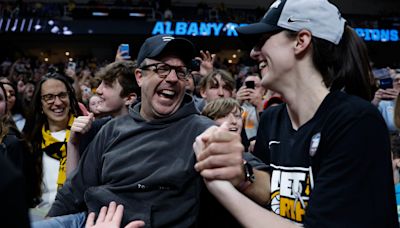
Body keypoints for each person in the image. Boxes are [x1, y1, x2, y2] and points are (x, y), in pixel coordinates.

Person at [194, 0, 399, 227]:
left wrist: (219, 185)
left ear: (301, 41)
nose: (253, 53)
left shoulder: (357, 121)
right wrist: (240, 175)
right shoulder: (272, 119)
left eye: (263, 40)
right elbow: (275, 192)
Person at [33, 34, 266, 228]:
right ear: (139, 77)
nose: (173, 78)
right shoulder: (111, 130)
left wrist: (243, 172)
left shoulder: (203, 131)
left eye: (181, 71)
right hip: (91, 221)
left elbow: (263, 182)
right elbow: (73, 192)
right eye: (162, 69)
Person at [66, 60, 140, 175]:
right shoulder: (93, 129)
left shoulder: (145, 133)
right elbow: (72, 187)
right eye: (101, 83)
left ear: (129, 98)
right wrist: (73, 144)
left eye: (108, 85)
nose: (99, 90)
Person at [24, 72, 83, 214]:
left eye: (62, 95)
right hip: (40, 218)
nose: (57, 102)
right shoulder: (29, 143)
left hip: (78, 217)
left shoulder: (85, 135)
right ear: (40, 104)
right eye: (49, 97)